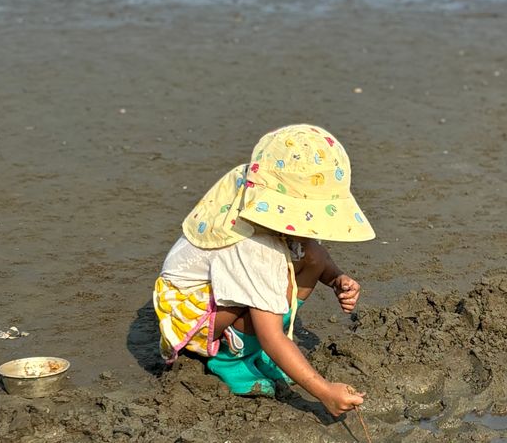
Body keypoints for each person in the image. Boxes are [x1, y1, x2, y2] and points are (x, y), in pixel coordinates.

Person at [153, 123, 374, 415]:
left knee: (314, 256)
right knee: (271, 303)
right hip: (188, 314)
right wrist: (323, 391)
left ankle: (249, 348)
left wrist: (335, 279)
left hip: (218, 292)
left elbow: (312, 253)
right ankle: (231, 361)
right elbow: (272, 334)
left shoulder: (263, 200)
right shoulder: (255, 247)